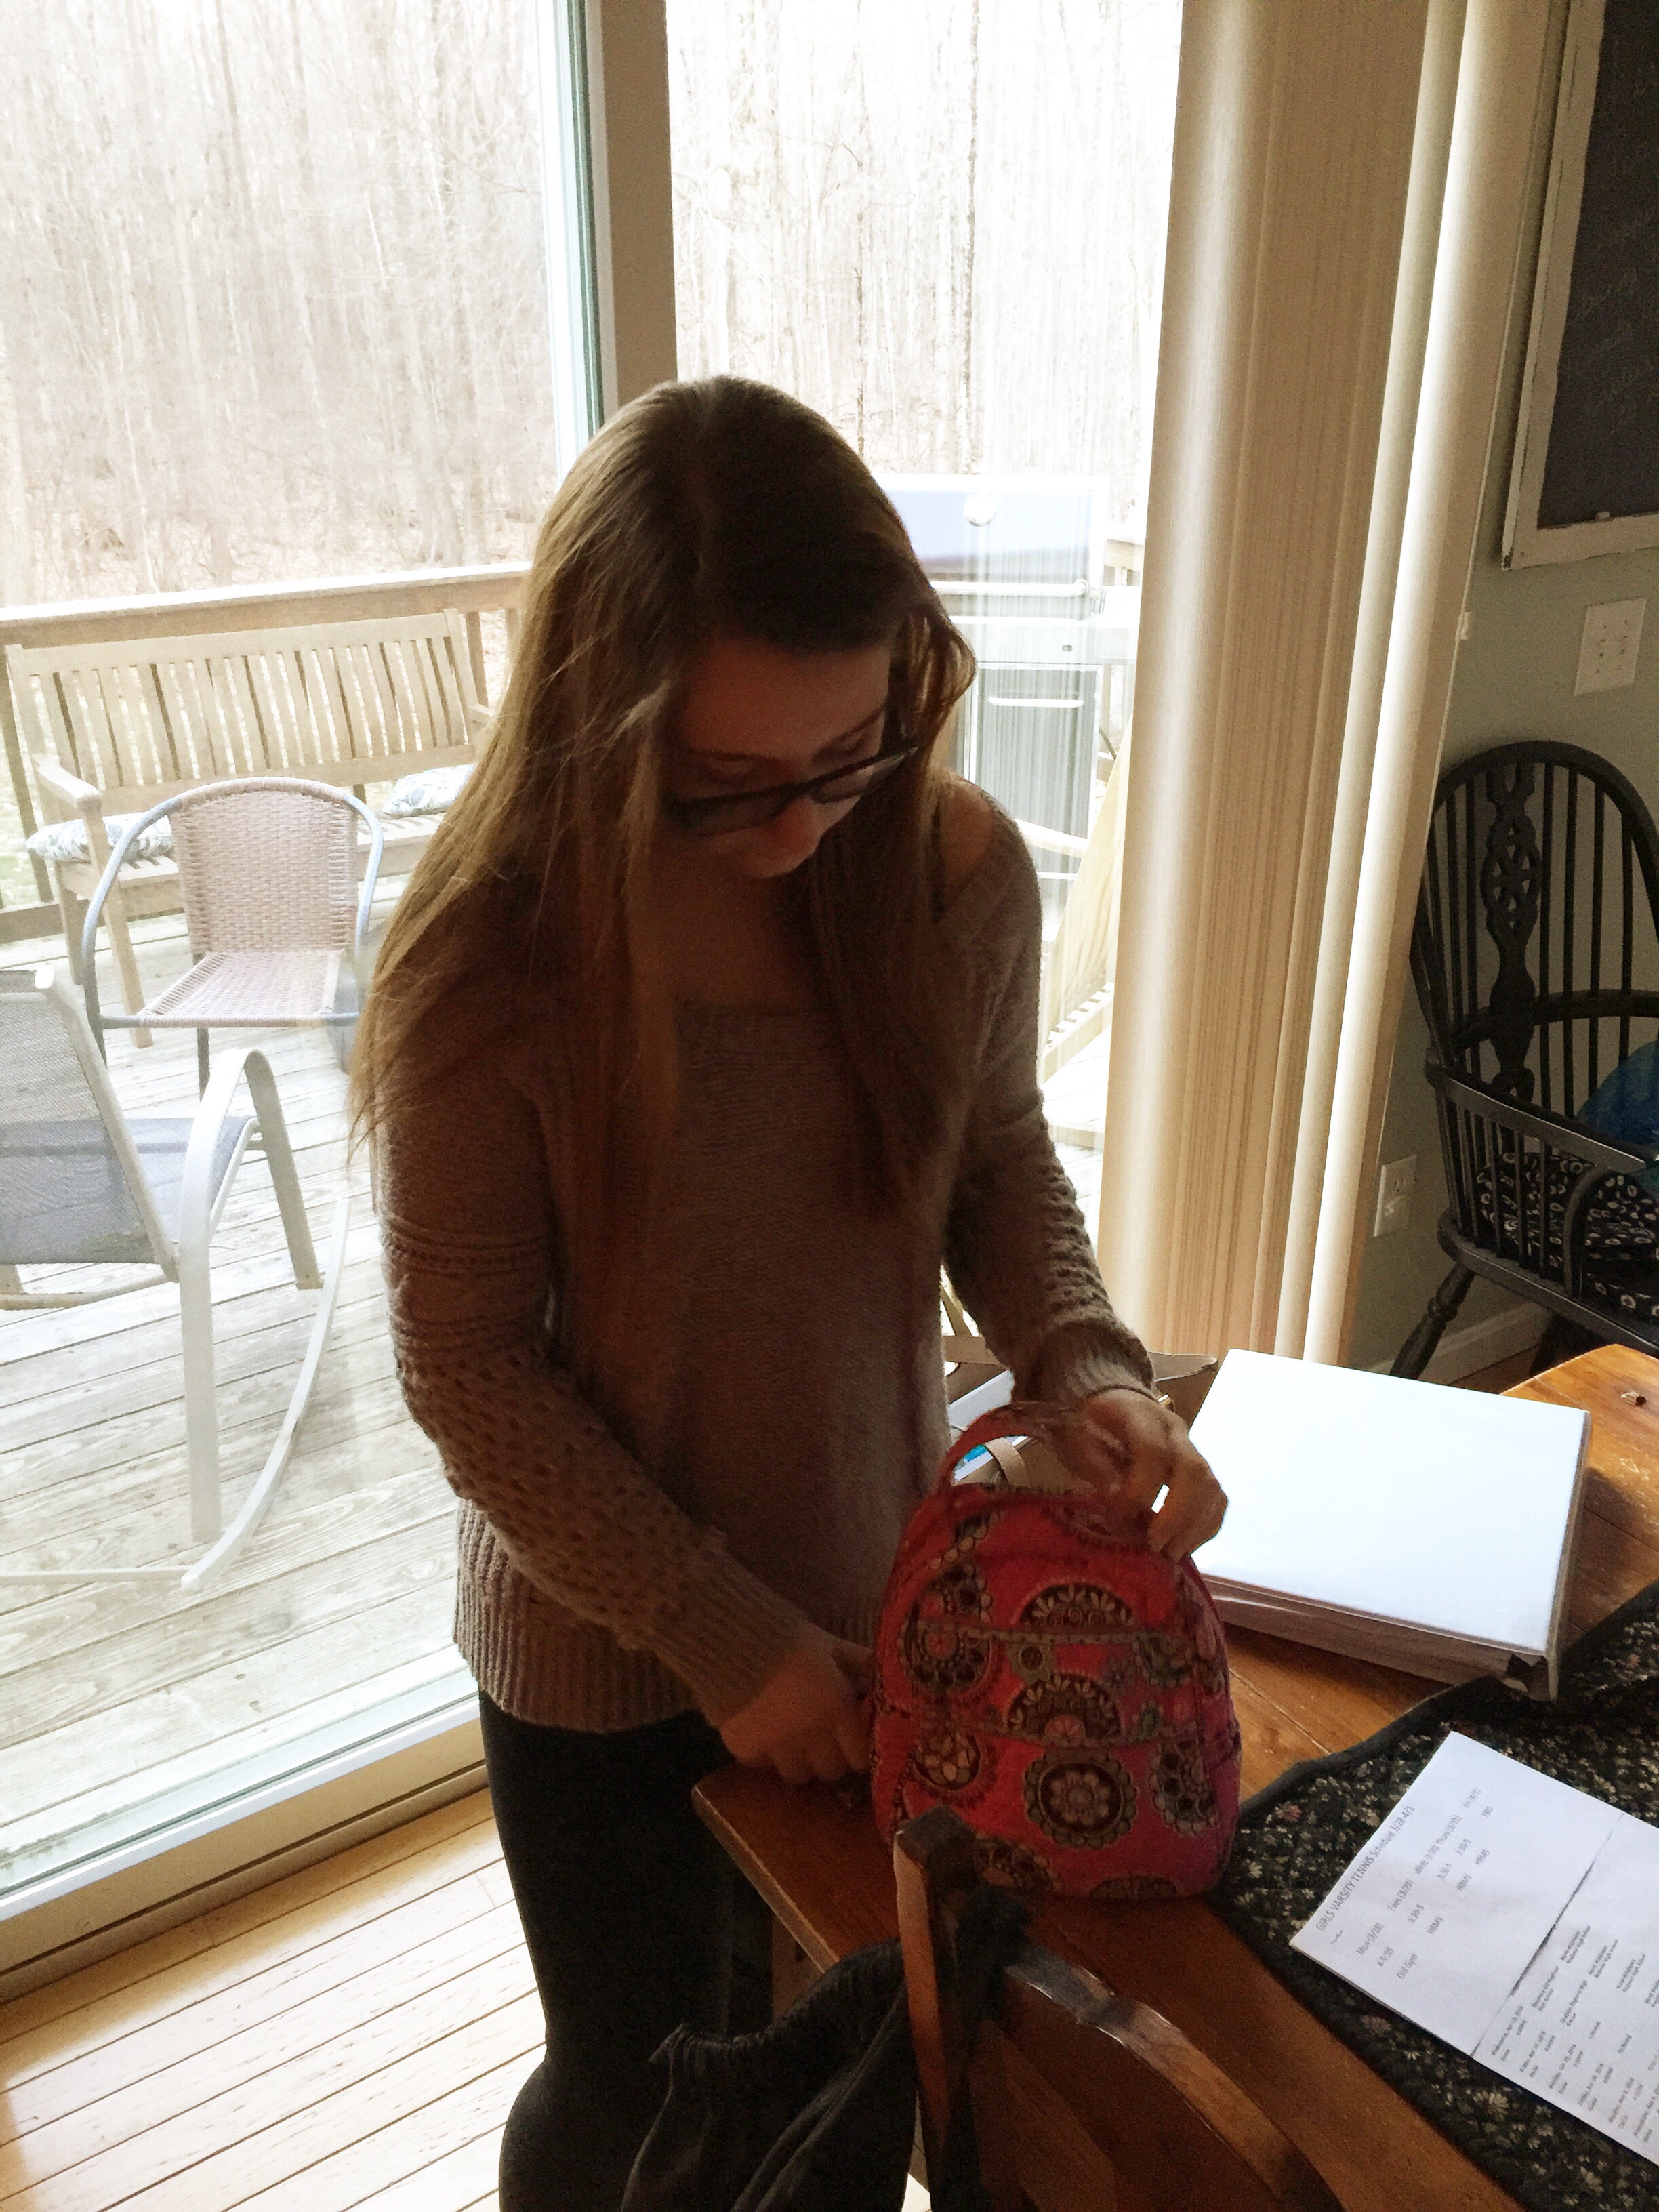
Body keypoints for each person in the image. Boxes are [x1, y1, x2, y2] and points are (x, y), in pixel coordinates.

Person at [350, 376, 1225, 2212]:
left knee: (852, 2073)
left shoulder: (953, 876)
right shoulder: (492, 969)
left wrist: (1084, 1360)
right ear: (596, 730)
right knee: (642, 2094)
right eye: (727, 786)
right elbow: (467, 1369)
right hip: (599, 1661)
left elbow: (993, 1160)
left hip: (881, 1595)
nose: (804, 825)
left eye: (852, 751)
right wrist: (719, 1635)